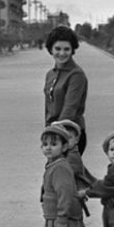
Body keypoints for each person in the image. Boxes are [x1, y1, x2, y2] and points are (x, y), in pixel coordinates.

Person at [26, 125, 100, 227]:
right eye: (45, 144)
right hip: (52, 217)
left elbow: (65, 195)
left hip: (61, 217)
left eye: (53, 144)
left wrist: (62, 218)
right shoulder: (54, 164)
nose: (48, 148)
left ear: (64, 147)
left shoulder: (60, 167)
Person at [49, 118, 96, 227]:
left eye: (70, 137)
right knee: (74, 225)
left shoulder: (71, 156)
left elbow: (68, 174)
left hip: (73, 196)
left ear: (77, 140)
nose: (67, 141)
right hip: (72, 195)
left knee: (73, 226)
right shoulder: (65, 155)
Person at [44, 26, 89, 154]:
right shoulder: (50, 74)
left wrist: (58, 134)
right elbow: (48, 107)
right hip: (53, 136)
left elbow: (70, 108)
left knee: (66, 173)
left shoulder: (76, 74)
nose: (62, 53)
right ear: (51, 49)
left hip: (70, 136)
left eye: (66, 49)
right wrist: (47, 132)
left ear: (72, 50)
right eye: (58, 49)